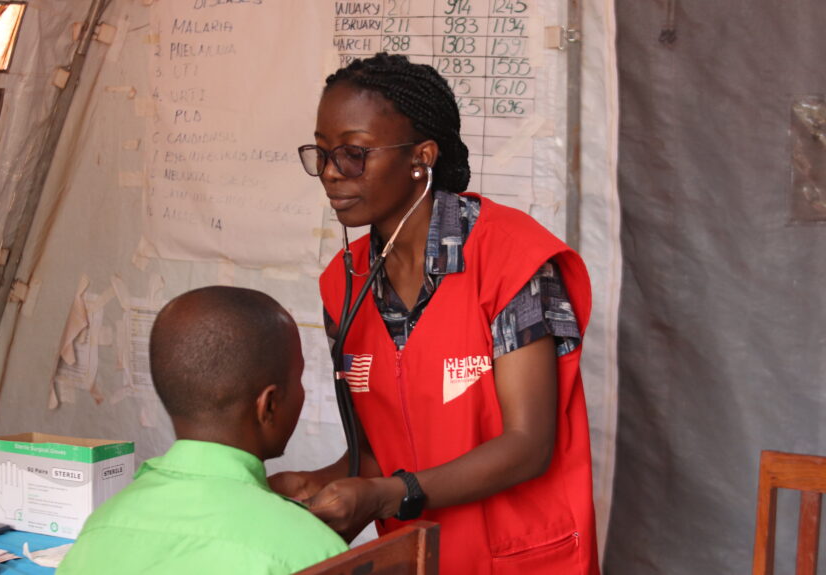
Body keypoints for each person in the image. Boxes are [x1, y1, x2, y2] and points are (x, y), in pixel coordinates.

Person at [270, 53, 599, 574]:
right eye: (323, 154)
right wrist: (323, 485)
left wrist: (384, 495)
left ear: (421, 156)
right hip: (417, 557)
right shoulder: (344, 283)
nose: (331, 175)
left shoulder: (511, 262)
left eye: (353, 154)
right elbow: (380, 450)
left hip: (517, 558)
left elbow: (528, 444)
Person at [58, 286, 348, 574]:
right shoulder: (314, 552)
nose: (302, 391)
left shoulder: (98, 531)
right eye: (298, 379)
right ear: (268, 405)